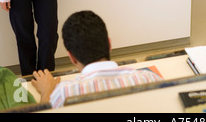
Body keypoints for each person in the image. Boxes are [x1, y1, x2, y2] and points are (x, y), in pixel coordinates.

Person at [31, 10, 163, 108]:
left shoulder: (63, 94)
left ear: (71, 57)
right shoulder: (149, 78)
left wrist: (46, 92)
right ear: (110, 44)